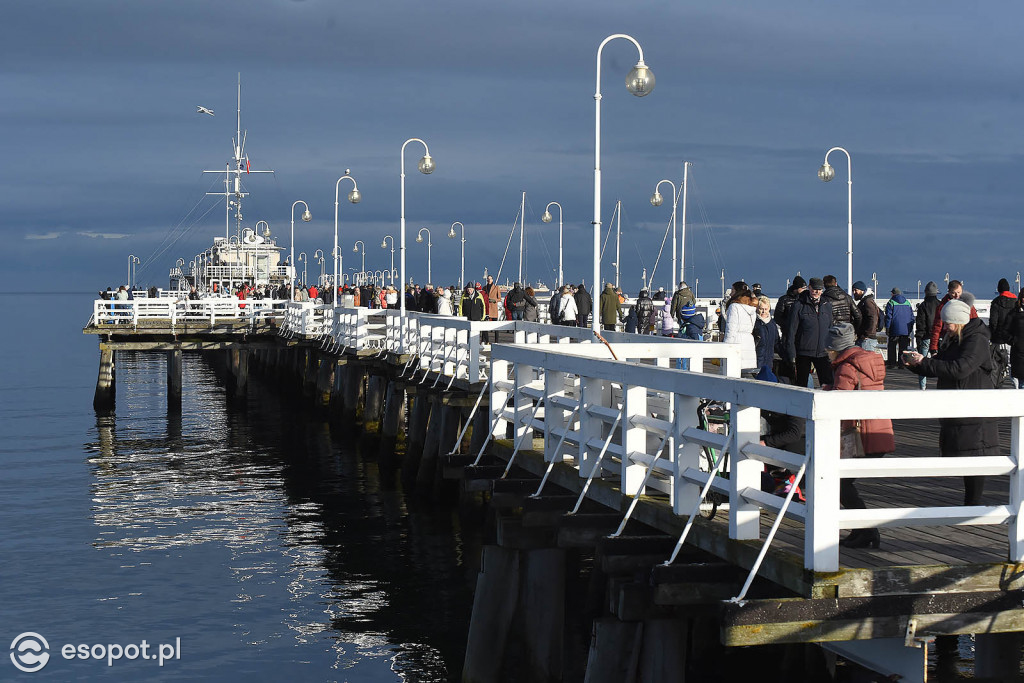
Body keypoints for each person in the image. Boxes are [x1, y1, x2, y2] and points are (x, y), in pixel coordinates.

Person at [906, 300, 999, 505]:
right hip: (962, 409)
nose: (945, 326)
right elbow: (943, 365)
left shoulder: (976, 340)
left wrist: (926, 362)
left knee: (975, 457)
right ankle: (971, 506)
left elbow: (959, 369)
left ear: (959, 321)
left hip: (974, 411)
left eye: (948, 322)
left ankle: (972, 507)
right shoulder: (956, 338)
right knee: (969, 456)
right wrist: (917, 365)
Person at [822, 323, 894, 549]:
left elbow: (839, 404)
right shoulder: (869, 361)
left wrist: (827, 394)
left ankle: (867, 530)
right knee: (844, 483)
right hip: (879, 431)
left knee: (840, 484)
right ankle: (860, 530)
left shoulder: (846, 368)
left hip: (861, 436)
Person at [786, 278, 834, 388]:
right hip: (803, 352)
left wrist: (832, 350)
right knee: (801, 384)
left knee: (827, 383)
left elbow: (830, 328)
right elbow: (791, 331)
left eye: (820, 289)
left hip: (823, 352)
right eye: (815, 289)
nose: (817, 292)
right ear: (809, 287)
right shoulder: (799, 305)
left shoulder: (827, 305)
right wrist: (791, 354)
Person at [928, 280, 977, 354]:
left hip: (966, 339)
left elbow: (975, 322)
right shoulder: (943, 307)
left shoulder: (968, 305)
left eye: (959, 292)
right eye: (954, 293)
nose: (957, 295)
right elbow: (937, 328)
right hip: (949, 340)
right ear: (949, 292)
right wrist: (933, 347)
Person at [774, 276, 806, 382]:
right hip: (788, 335)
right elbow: (778, 317)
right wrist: (789, 325)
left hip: (801, 336)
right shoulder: (784, 300)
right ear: (796, 288)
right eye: (802, 288)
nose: (804, 290)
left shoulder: (804, 300)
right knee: (788, 360)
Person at [723, 285, 758, 372]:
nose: (731, 293)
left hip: (736, 342)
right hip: (749, 342)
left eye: (733, 290)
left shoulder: (734, 307)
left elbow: (731, 329)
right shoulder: (752, 308)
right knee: (747, 374)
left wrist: (725, 348)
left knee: (732, 373)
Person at [883, 287, 914, 368]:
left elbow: (889, 317)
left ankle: (892, 364)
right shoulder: (907, 302)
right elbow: (911, 317)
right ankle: (902, 364)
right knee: (903, 348)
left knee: (892, 347)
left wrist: (887, 327)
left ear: (893, 293)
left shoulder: (891, 302)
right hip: (905, 329)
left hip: (894, 328)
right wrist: (910, 328)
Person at [752, 295, 779, 381]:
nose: (763, 311)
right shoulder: (754, 323)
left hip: (769, 361)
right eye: (761, 308)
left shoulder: (772, 324)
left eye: (766, 309)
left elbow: (776, 342)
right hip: (756, 361)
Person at [851, 280, 879, 351]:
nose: (854, 293)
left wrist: (868, 335)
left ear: (862, 291)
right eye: (853, 290)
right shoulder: (865, 301)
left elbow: (873, 317)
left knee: (865, 360)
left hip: (867, 339)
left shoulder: (867, 302)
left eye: (855, 290)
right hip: (863, 337)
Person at [1008, 290, 1024, 389]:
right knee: (1019, 381)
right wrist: (1013, 340)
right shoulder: (1014, 313)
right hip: (1018, 352)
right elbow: (1005, 330)